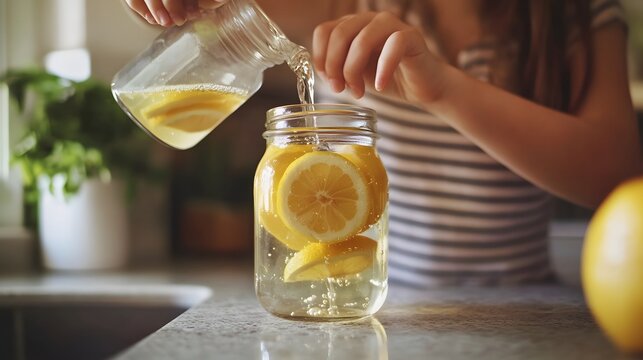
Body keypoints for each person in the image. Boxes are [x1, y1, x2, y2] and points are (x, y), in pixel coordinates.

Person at [124, 0, 642, 287]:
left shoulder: (578, 15)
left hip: (528, 311)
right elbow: (214, 11)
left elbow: (616, 173)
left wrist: (440, 89)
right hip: (373, 309)